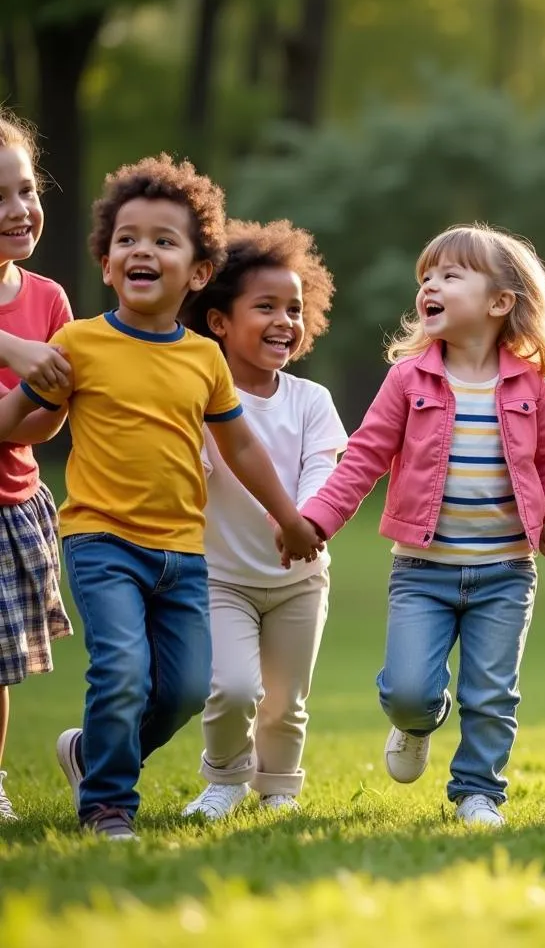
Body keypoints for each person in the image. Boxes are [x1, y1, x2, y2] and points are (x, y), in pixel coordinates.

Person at [0, 155, 323, 839]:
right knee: (122, 669)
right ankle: (108, 805)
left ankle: (92, 755)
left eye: (164, 240)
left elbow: (239, 447)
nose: (142, 249)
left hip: (183, 553)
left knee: (180, 690)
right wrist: (24, 399)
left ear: (199, 272)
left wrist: (289, 517)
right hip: (101, 542)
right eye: (127, 239)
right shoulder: (79, 343)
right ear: (109, 263)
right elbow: (21, 418)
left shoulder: (204, 358)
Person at [287, 224, 545, 827]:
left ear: (500, 302)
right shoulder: (409, 380)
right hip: (422, 571)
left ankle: (479, 792)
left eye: (451, 275)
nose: (431, 284)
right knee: (408, 691)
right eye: (426, 276)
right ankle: (418, 721)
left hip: (506, 571)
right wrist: (316, 518)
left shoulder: (531, 385)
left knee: (492, 693)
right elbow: (365, 456)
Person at [178, 219, 346, 819]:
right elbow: (191, 473)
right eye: (266, 307)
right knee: (232, 689)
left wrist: (303, 521)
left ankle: (277, 789)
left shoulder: (311, 400)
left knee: (285, 702)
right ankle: (224, 778)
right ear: (219, 322)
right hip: (223, 576)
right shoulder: (200, 400)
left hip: (299, 578)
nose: (285, 321)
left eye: (295, 309)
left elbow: (324, 469)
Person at [0, 109, 75, 822]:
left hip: (12, 501)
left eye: (26, 189)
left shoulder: (48, 299)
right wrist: (15, 356)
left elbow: (50, 418)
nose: (19, 210)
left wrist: (30, 396)